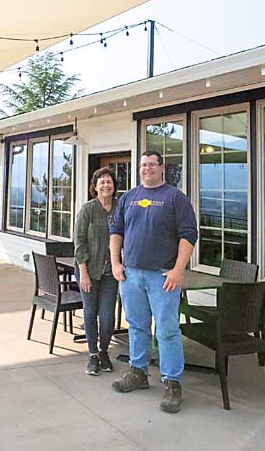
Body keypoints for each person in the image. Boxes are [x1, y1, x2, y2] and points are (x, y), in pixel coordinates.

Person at [109, 150, 198, 414]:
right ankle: (138, 372)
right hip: (131, 274)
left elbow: (188, 234)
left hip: (163, 277)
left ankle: (172, 383)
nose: (146, 169)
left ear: (162, 168)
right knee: (136, 326)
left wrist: (178, 269)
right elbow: (115, 231)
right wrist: (116, 263)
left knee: (167, 330)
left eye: (151, 165)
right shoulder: (129, 197)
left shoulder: (175, 198)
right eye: (142, 165)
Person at [73, 167, 119, 376]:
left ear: (114, 186)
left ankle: (104, 352)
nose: (106, 185)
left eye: (109, 182)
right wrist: (83, 272)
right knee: (90, 313)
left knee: (108, 316)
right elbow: (79, 242)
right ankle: (92, 355)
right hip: (88, 270)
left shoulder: (120, 208)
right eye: (102, 182)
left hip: (111, 272)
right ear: (95, 187)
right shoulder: (88, 209)